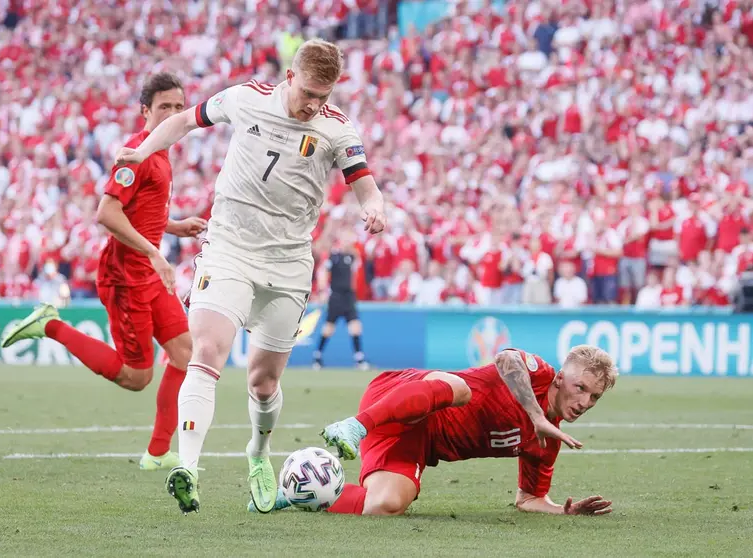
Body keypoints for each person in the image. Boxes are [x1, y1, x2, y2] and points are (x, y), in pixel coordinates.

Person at [114, 39, 387, 515]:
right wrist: (141, 152)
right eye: (307, 92)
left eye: (322, 96)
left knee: (263, 382)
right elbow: (183, 120)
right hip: (229, 251)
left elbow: (363, 180)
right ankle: (189, 468)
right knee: (206, 351)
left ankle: (258, 452)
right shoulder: (246, 98)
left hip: (287, 265)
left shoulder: (337, 129)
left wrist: (374, 207)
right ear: (289, 77)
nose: (313, 104)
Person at [1, 72, 207, 472]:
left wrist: (174, 226)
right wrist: (156, 253)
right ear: (145, 111)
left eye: (179, 108)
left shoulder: (162, 154)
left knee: (185, 353)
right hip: (125, 276)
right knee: (136, 377)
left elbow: (141, 212)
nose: (174, 115)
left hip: (147, 270)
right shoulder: (137, 152)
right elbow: (107, 213)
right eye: (165, 107)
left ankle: (158, 452)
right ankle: (50, 325)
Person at [258, 345, 617, 517]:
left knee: (387, 504)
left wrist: (564, 512)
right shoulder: (538, 374)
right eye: (581, 388)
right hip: (403, 396)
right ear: (559, 378)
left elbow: (530, 500)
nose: (585, 401)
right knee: (461, 388)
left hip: (417, 440)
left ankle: (299, 493)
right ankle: (353, 426)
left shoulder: (545, 440)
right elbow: (507, 358)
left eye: (595, 397)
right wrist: (536, 413)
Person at [313, 232, 369, 370]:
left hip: (349, 296)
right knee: (329, 328)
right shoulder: (334, 257)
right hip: (336, 296)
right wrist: (322, 291)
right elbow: (323, 272)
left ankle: (359, 358)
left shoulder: (351, 256)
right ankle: (318, 356)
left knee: (355, 327)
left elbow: (357, 260)